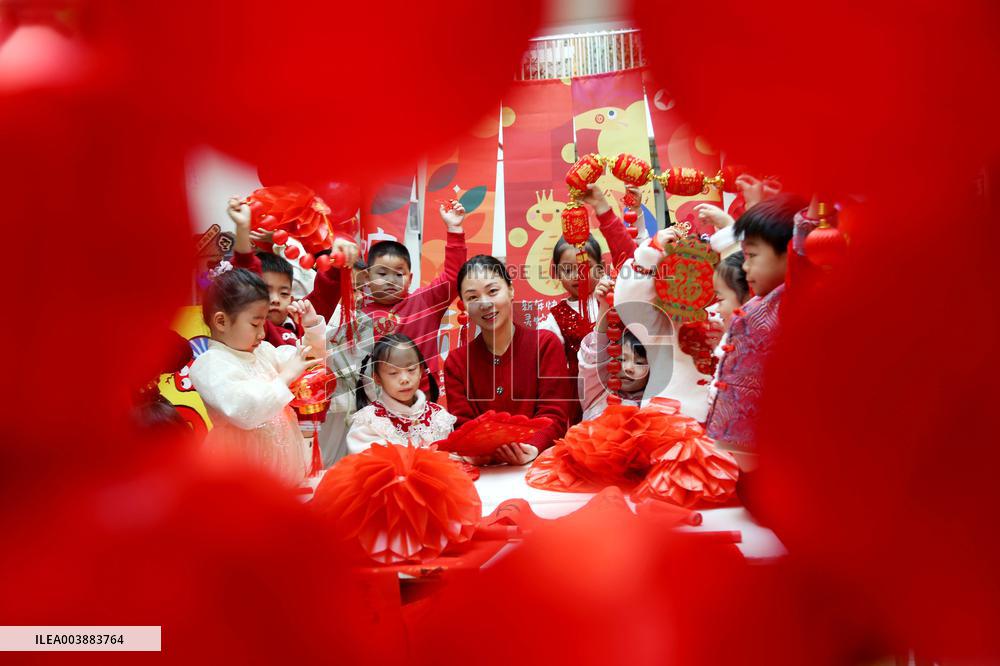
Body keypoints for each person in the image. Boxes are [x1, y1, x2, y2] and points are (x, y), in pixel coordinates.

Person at [189, 267, 326, 485]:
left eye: (264, 323)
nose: (262, 333)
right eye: (255, 324)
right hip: (240, 478)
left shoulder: (263, 351)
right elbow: (245, 412)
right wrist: (285, 377)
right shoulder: (209, 364)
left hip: (287, 474)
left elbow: (309, 363)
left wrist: (310, 327)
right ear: (221, 322)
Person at [705, 194, 806, 469]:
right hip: (743, 449)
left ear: (792, 250)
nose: (745, 265)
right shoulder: (762, 298)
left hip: (776, 451)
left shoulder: (798, 299)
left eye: (751, 255)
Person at [444, 255, 573, 465]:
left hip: (537, 465)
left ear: (511, 290)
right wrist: (475, 451)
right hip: (484, 472)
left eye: (493, 291)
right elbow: (462, 424)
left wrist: (532, 446)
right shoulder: (457, 363)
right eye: (473, 297)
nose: (484, 303)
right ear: (464, 305)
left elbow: (555, 414)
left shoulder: (545, 345)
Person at [226, 197, 359, 347]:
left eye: (283, 293)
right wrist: (242, 229)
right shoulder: (249, 329)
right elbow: (244, 269)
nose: (275, 300)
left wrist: (337, 263)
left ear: (291, 299)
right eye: (265, 292)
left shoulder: (301, 318)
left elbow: (325, 296)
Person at [537, 184, 640, 377]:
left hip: (630, 389)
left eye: (584, 267)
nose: (577, 276)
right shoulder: (553, 320)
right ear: (556, 273)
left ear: (601, 268)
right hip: (586, 398)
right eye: (568, 270)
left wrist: (601, 206)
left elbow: (631, 260)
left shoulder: (615, 294)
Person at [359, 202, 467, 384]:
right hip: (374, 402)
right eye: (382, 273)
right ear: (367, 277)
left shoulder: (425, 301)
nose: (390, 280)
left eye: (399, 274)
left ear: (410, 278)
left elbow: (454, 276)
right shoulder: (357, 313)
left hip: (422, 398)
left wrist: (454, 229)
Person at [346, 334, 455, 455]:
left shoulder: (438, 415)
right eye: (393, 373)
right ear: (377, 378)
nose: (404, 379)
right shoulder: (369, 421)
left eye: (411, 369)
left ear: (420, 371)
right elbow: (366, 464)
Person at [577, 276, 651, 421]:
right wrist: (605, 305)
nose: (628, 368)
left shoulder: (656, 404)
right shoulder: (598, 393)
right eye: (621, 359)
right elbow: (595, 355)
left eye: (640, 363)